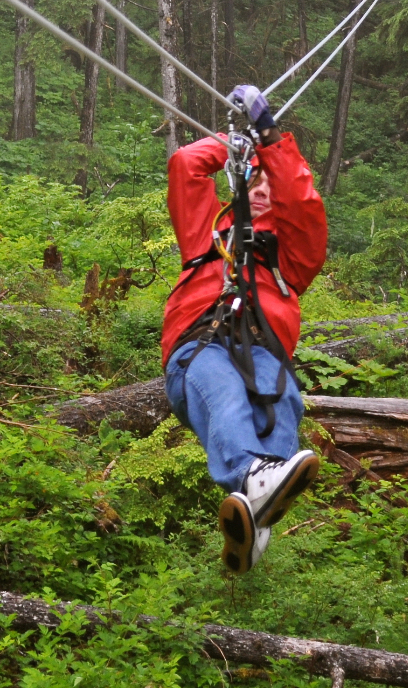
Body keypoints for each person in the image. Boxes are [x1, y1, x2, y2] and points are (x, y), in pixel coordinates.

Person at [162, 83, 328, 573]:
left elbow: (303, 202)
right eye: (252, 187)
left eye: (266, 190)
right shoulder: (205, 238)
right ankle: (250, 477)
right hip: (200, 348)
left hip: (264, 354)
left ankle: (256, 519)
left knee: (284, 405)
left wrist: (271, 138)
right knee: (226, 393)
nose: (258, 195)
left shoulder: (292, 259)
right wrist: (233, 145)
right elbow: (186, 166)